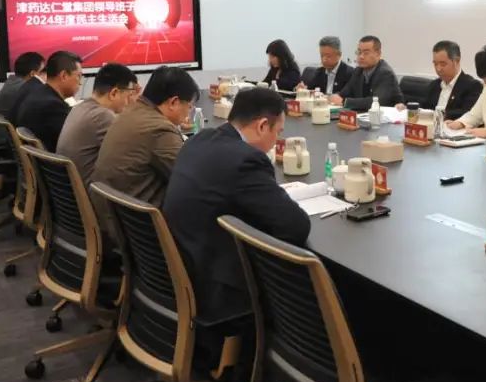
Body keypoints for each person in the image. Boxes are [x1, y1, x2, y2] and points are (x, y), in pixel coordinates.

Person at [163, 87, 311, 321]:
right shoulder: (245, 160)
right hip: (216, 289)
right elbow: (295, 226)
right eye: (278, 132)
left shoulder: (199, 139)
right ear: (262, 126)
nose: (276, 141)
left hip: (178, 269)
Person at [92, 65, 195, 206]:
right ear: (173, 102)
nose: (189, 113)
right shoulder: (160, 129)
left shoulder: (130, 111)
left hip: (111, 209)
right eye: (189, 106)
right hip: (139, 215)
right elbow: (191, 181)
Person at [56, 63, 140, 185]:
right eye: (128, 96)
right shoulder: (103, 116)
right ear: (114, 93)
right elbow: (133, 153)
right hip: (90, 192)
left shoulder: (79, 107)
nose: (129, 101)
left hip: (69, 189)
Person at [11, 51, 83, 152]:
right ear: (64, 76)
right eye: (79, 76)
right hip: (56, 159)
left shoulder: (40, 93)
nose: (80, 82)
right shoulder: (52, 106)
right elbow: (75, 139)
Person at [330, 35, 404, 110]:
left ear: (378, 54)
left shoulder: (385, 73)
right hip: (363, 114)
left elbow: (376, 101)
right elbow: (344, 93)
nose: (361, 56)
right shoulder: (358, 71)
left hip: (384, 116)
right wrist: (334, 97)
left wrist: (345, 102)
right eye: (359, 52)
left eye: (366, 53)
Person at [0, 51, 45, 148]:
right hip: (6, 145)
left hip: (1, 140)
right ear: (33, 74)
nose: (46, 75)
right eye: (43, 71)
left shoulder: (13, 82)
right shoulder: (23, 89)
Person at [419, 40, 482, 120]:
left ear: (457, 61)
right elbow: (423, 108)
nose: (438, 69)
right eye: (435, 64)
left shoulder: (472, 86)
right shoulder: (434, 85)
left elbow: (468, 114)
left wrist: (439, 114)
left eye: (443, 64)